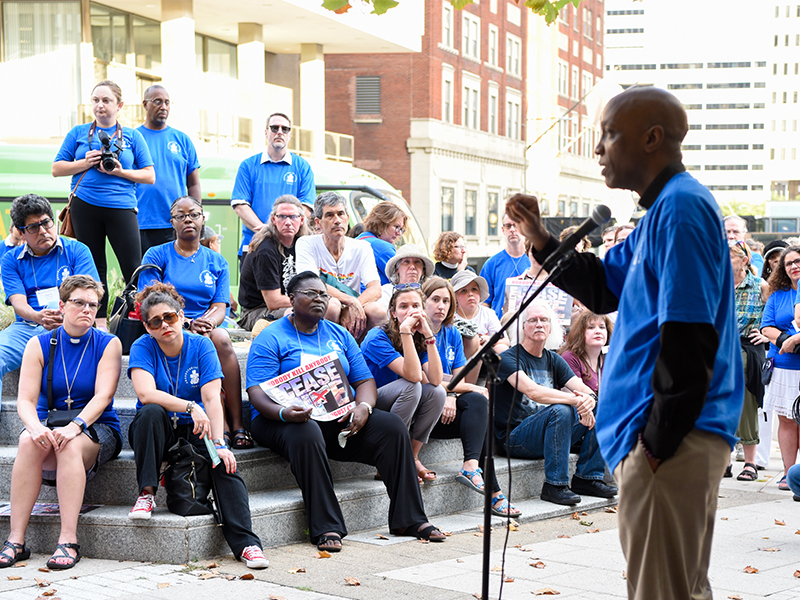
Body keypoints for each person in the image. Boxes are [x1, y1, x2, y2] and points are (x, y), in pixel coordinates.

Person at [507, 86, 743, 600]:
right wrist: (542, 239)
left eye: (609, 134)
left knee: (665, 592)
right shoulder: (660, 214)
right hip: (659, 438)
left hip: (673, 439)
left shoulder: (682, 208)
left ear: (653, 138)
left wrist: (656, 443)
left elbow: (690, 337)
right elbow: (601, 285)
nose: (598, 149)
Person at [245, 271, 447, 548]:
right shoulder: (271, 337)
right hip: (282, 419)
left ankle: (409, 518)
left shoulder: (339, 334)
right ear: (291, 299)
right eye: (311, 294)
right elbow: (256, 392)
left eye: (323, 295)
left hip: (336, 416)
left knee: (392, 427)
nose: (319, 299)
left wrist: (364, 406)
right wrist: (283, 413)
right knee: (306, 433)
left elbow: (364, 380)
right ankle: (326, 527)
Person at [126, 283, 269, 568]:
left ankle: (248, 545)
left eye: (169, 317)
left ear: (181, 315)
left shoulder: (202, 344)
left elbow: (211, 398)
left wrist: (219, 444)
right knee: (151, 412)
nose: (164, 325)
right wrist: (190, 406)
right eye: (155, 322)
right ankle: (147, 495)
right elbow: (145, 394)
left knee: (225, 464)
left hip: (196, 428)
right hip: (158, 431)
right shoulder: (143, 346)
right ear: (147, 327)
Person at [1, 276, 121, 570]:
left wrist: (76, 426)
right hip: (49, 424)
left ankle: (68, 540)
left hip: (97, 428)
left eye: (92, 305)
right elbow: (25, 401)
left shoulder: (109, 343)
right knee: (27, 441)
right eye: (79, 303)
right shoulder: (38, 344)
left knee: (68, 445)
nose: (87, 310)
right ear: (63, 306)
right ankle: (16, 540)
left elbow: (103, 396)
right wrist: (35, 427)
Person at [137, 196, 252, 450]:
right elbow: (151, 300)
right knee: (206, 339)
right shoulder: (157, 254)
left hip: (206, 326)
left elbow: (220, 306)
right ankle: (219, 424)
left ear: (203, 219)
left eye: (194, 214)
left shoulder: (216, 260)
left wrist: (207, 323)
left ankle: (237, 423)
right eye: (181, 215)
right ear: (172, 222)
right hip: (170, 324)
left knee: (221, 337)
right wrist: (186, 323)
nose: (188, 219)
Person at [495, 301, 615, 506]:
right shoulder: (508, 358)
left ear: (551, 327)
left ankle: (587, 477)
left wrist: (590, 401)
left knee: (605, 407)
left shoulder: (553, 359)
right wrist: (576, 400)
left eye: (544, 320)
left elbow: (584, 389)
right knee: (561, 410)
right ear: (523, 327)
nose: (539, 324)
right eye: (532, 320)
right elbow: (534, 391)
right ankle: (555, 485)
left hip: (550, 433)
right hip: (515, 438)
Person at [52, 80, 154, 320]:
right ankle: (96, 322)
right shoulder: (77, 133)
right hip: (85, 206)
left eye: (106, 100)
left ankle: (135, 319)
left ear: (119, 105)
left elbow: (149, 175)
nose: (100, 105)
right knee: (93, 268)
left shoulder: (133, 136)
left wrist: (120, 171)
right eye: (95, 100)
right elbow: (57, 168)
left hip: (122, 207)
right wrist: (84, 162)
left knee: (133, 267)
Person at [422, 277, 520, 517]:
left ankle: (471, 466)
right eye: (435, 300)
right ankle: (494, 494)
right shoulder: (416, 332)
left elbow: (457, 379)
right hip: (421, 414)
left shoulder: (452, 333)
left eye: (446, 300)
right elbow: (427, 380)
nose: (441, 306)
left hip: (446, 409)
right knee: (477, 395)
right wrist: (458, 389)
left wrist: (454, 393)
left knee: (478, 402)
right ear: (423, 302)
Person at [0, 194, 99, 403]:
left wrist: (67, 317)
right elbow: (18, 303)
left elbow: (90, 292)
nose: (43, 231)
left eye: (46, 222)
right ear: (20, 232)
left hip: (73, 325)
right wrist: (38, 317)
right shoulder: (11, 260)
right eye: (33, 227)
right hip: (27, 328)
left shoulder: (77, 250)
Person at [361, 287, 446, 482]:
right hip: (370, 403)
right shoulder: (377, 337)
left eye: (416, 306)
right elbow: (414, 375)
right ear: (393, 313)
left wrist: (428, 336)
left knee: (437, 392)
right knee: (412, 386)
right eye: (403, 306)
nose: (410, 311)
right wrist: (405, 331)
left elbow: (435, 379)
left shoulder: (418, 337)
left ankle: (411, 456)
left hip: (399, 402)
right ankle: (389, 458)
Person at [295, 192, 384, 340]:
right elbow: (311, 284)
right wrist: (349, 301)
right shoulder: (306, 243)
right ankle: (326, 352)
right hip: (317, 302)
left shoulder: (362, 247)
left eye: (341, 214)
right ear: (318, 223)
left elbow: (375, 288)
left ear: (347, 218)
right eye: (330, 215)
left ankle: (367, 356)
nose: (337, 220)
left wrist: (354, 306)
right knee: (333, 306)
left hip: (354, 304)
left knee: (378, 310)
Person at [231, 112, 315, 261]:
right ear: (266, 132)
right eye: (274, 128)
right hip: (254, 246)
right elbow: (240, 205)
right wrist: (267, 231)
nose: (280, 132)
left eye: (285, 129)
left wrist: (281, 231)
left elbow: (306, 207)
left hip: (291, 249)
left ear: (290, 135)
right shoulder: (248, 166)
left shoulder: (303, 167)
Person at [237, 195, 320, 330]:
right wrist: (311, 301)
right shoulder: (266, 249)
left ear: (302, 220)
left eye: (293, 217)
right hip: (256, 312)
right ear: (273, 219)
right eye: (282, 216)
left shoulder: (304, 244)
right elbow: (273, 302)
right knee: (296, 314)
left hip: (293, 303)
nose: (288, 222)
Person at [135, 84, 201, 253]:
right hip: (141, 222)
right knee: (145, 275)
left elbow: (193, 184)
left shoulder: (182, 140)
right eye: (157, 101)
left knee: (175, 275)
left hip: (175, 223)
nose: (163, 106)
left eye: (167, 102)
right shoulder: (133, 138)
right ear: (145, 104)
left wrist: (196, 217)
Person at [726, 240, 768, 482]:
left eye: (730, 256)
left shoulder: (759, 286)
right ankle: (725, 461)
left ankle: (750, 463)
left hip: (747, 349)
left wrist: (765, 335)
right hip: (719, 349)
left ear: (744, 261)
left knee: (746, 403)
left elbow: (774, 317)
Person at [761, 245, 800, 491]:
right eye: (789, 264)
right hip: (784, 365)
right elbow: (766, 327)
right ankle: (788, 473)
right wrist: (786, 340)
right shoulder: (778, 295)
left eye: (798, 261)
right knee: (786, 421)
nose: (794, 266)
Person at [451, 270, 509, 384]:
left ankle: (494, 391)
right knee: (475, 347)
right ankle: (467, 388)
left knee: (502, 348)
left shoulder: (488, 313)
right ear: (455, 297)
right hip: (460, 359)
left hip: (485, 359)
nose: (470, 294)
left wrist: (489, 340)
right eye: (464, 290)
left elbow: (505, 340)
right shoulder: (451, 315)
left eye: (474, 289)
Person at [480, 214, 530, 319]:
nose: (512, 229)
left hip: (530, 325)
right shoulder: (491, 264)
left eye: (516, 225)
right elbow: (484, 303)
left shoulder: (535, 262)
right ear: (503, 230)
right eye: (508, 226)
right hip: (500, 327)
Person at [559, 310, 613, 395]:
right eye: (591, 327)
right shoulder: (569, 357)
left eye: (602, 327)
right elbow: (574, 398)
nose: (598, 331)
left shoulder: (609, 357)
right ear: (580, 333)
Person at [356, 201, 407, 285]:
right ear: (381, 223)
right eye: (396, 227)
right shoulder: (383, 248)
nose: (399, 233)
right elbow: (404, 280)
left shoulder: (359, 239)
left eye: (401, 229)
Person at [379, 244, 434, 309]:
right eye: (406, 262)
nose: (412, 267)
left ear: (423, 270)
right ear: (397, 269)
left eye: (417, 262)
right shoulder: (385, 293)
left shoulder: (430, 293)